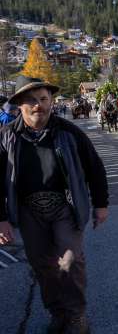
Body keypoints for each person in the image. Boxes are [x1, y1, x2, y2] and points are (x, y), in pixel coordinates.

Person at [0, 76, 109, 334]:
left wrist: (101, 204)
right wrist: (1, 218)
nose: (38, 105)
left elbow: (95, 167)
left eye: (43, 99)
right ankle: (57, 313)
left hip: (65, 207)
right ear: (18, 105)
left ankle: (76, 316)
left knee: (69, 262)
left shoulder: (69, 132)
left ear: (51, 102)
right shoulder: (6, 137)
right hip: (28, 210)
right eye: (31, 100)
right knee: (43, 266)